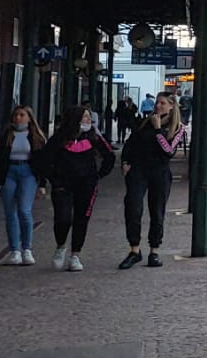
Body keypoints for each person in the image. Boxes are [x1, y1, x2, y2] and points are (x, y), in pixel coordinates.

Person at [39, 106, 115, 272]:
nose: (89, 120)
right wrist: (52, 179)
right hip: (63, 184)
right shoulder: (59, 138)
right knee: (62, 218)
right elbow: (44, 159)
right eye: (85, 117)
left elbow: (109, 155)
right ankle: (60, 246)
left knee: (82, 218)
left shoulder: (94, 137)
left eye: (89, 117)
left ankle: (75, 255)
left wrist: (99, 175)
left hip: (87, 184)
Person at [119, 91, 187, 269]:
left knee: (157, 211)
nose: (158, 106)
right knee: (133, 207)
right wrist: (125, 161)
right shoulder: (145, 122)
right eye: (157, 102)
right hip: (139, 170)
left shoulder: (178, 128)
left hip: (160, 172)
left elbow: (168, 151)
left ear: (171, 106)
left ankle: (154, 251)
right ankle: (134, 249)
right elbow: (131, 143)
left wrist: (158, 130)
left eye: (163, 103)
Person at [0, 104, 44, 266]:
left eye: (22, 115)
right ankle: (14, 250)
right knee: (10, 212)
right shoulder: (5, 136)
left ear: (29, 118)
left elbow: (42, 161)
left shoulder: (36, 137)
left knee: (24, 210)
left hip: (27, 172)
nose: (18, 118)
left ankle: (27, 248)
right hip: (9, 172)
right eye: (16, 115)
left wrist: (42, 183)